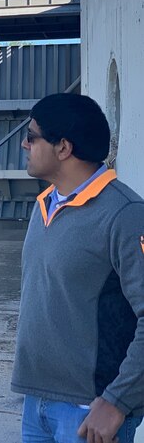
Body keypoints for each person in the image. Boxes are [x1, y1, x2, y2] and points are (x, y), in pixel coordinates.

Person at [13, 93, 144, 443]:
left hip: (90, 414)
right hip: (35, 403)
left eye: (32, 136)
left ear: (63, 148)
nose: (25, 144)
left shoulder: (125, 214)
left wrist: (118, 401)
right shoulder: (43, 206)